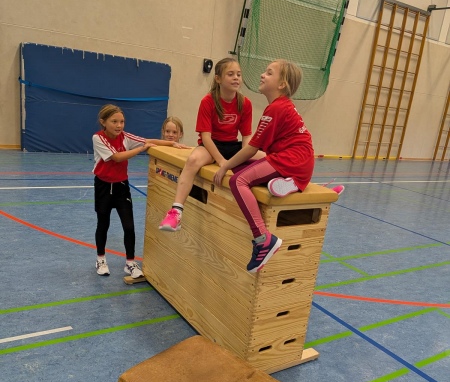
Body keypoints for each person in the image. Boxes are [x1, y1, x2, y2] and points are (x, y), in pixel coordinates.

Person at [213, 59, 315, 273]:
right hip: (299, 162)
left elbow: (251, 148)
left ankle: (263, 239)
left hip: (291, 160)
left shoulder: (276, 108)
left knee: (237, 180)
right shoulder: (281, 106)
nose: (262, 75)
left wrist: (224, 166)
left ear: (282, 84)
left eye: (269, 73)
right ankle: (290, 183)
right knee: (241, 169)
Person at [159, 57, 263, 231]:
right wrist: (221, 161)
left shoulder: (245, 103)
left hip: (233, 145)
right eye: (230, 74)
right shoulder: (208, 101)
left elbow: (246, 137)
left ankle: (286, 183)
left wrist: (246, 155)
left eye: (238, 74)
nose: (236, 78)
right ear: (218, 78)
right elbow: (206, 137)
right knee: (193, 161)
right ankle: (176, 212)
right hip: (211, 145)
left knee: (266, 157)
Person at [93, 104, 190, 277]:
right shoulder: (98, 138)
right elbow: (116, 157)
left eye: (122, 121)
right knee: (103, 224)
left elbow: (148, 141)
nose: (119, 125)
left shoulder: (125, 136)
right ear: (103, 122)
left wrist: (172, 143)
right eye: (114, 121)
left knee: (129, 226)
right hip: (103, 187)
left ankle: (130, 262)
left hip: (121, 187)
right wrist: (140, 149)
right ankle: (100, 259)